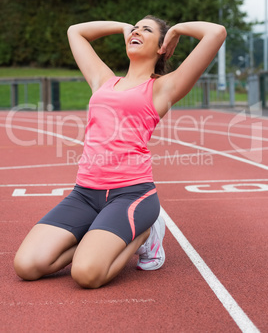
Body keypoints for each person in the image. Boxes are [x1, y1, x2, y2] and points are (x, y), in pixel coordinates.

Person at [14, 15, 226, 288]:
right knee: (27, 266)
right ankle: (95, 236)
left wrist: (176, 31)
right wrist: (121, 27)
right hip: (84, 194)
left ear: (162, 47)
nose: (136, 31)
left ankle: (146, 234)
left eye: (146, 30)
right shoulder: (103, 79)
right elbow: (75, 32)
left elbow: (216, 32)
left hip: (131, 195)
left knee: (86, 275)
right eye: (135, 28)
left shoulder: (163, 88)